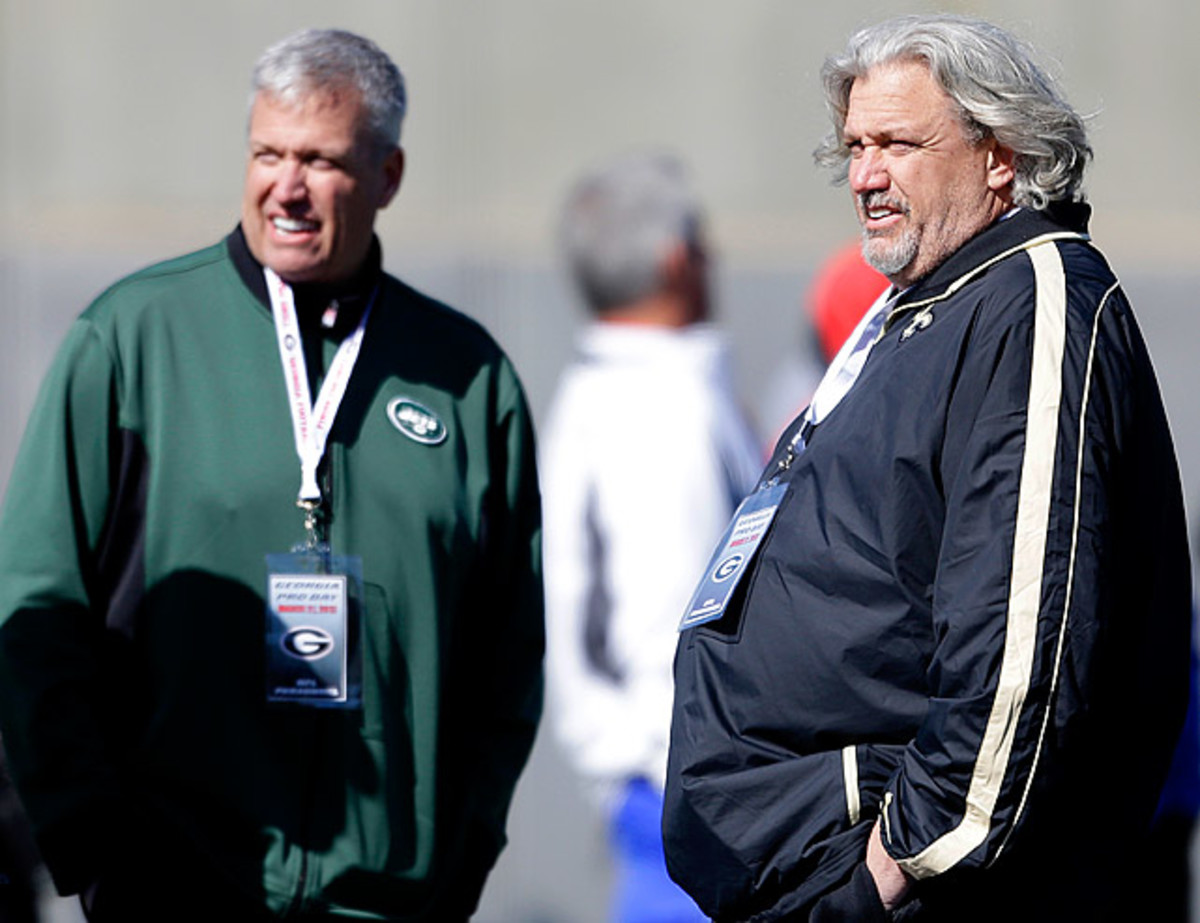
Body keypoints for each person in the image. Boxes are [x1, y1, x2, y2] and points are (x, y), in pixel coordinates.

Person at [0, 28, 543, 922]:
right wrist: (93, 845)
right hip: (172, 890)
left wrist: (460, 858)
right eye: (267, 154)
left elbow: (507, 657)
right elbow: (36, 605)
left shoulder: (467, 377)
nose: (286, 187)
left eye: (320, 161)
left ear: (387, 176)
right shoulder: (132, 340)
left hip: (390, 901)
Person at [663, 14, 1192, 923]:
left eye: (899, 145)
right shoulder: (928, 302)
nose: (866, 175)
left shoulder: (1032, 298)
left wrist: (888, 872)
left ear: (1000, 156)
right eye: (856, 147)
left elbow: (1021, 643)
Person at [541, 152, 761, 922]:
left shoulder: (612, 389)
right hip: (689, 801)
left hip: (665, 795)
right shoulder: (659, 406)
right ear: (676, 259)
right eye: (701, 241)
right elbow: (674, 623)